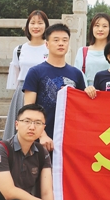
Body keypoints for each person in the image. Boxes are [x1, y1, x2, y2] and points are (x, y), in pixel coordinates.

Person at [23, 23, 86, 151]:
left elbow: (81, 107)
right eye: (56, 40)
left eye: (65, 40)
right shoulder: (35, 72)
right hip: (41, 139)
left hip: (69, 137)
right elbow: (28, 108)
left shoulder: (76, 74)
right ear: (47, 44)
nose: (61, 44)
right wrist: (42, 135)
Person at [3, 10, 50, 140]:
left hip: (44, 91)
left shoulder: (50, 48)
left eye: (40, 23)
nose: (36, 26)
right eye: (32, 23)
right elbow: (16, 74)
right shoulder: (19, 50)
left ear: (46, 26)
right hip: (23, 92)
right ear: (27, 26)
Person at [74, 13, 110, 86]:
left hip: (108, 91)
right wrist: (87, 89)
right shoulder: (82, 51)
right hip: (85, 91)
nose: (100, 29)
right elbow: (77, 75)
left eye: (104, 26)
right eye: (97, 25)